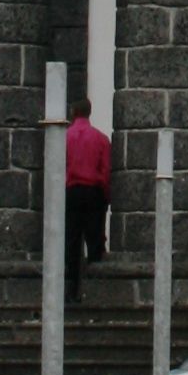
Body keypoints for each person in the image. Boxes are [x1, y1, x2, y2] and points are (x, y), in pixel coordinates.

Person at [64, 93, 113, 279]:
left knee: (71, 242)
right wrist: (106, 196)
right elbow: (105, 171)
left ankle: (71, 290)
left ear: (74, 112)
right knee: (94, 241)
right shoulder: (101, 139)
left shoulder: (65, 137)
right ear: (89, 112)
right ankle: (94, 286)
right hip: (94, 192)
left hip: (71, 191)